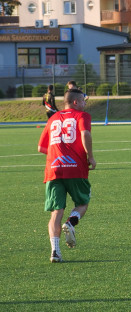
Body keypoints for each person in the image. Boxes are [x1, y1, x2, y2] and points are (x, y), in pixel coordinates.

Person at [38, 87, 96, 262]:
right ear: (76, 102)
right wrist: (90, 156)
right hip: (75, 167)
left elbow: (41, 147)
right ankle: (71, 222)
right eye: (84, 101)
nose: (85, 104)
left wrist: (58, 155)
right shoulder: (82, 116)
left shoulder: (53, 118)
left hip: (54, 169)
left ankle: (55, 251)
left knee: (56, 212)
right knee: (83, 202)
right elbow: (85, 133)